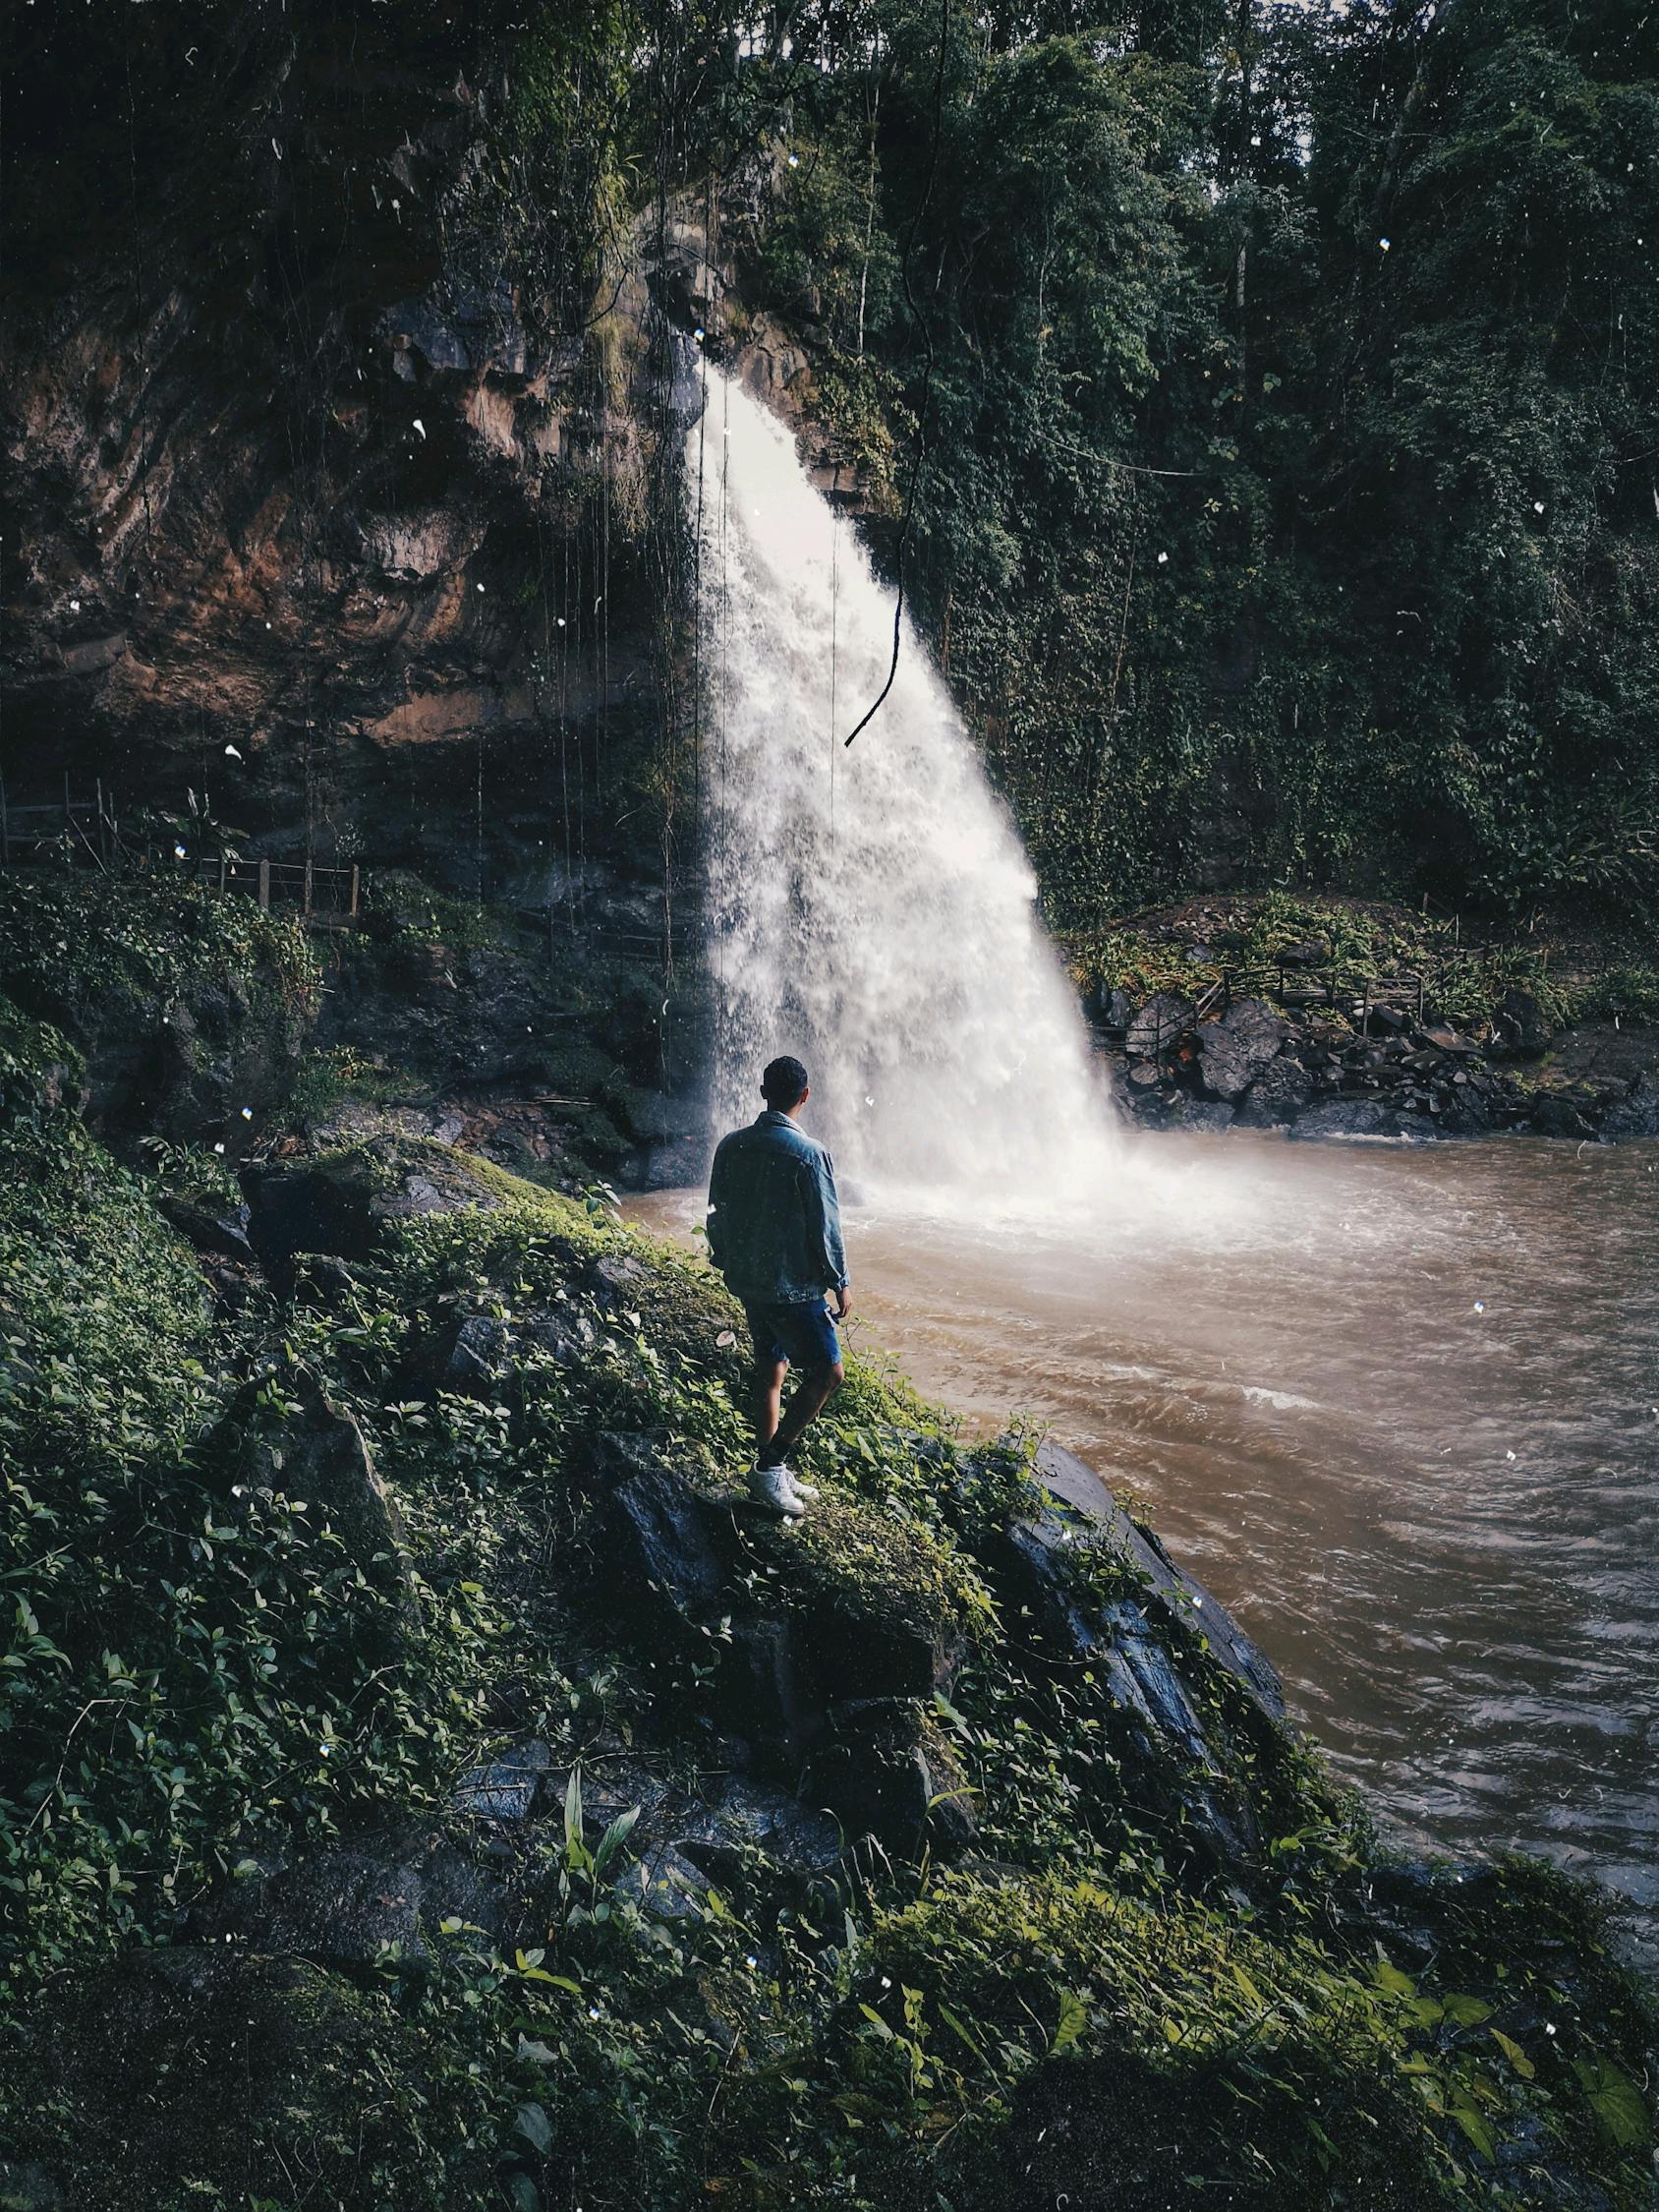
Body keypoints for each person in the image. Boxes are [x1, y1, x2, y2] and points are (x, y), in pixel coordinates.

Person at [706, 1055, 851, 1518]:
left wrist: (725, 1258)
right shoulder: (810, 1154)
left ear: (762, 1091)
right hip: (793, 1289)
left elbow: (716, 1211)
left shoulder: (731, 1145)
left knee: (772, 1369)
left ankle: (770, 1468)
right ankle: (770, 1466)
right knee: (828, 1373)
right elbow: (825, 1226)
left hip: (750, 1282)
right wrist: (839, 1282)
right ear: (804, 1096)